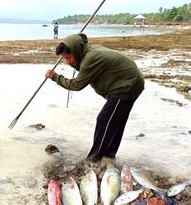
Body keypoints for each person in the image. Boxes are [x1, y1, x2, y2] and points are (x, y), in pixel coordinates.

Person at [44, 33, 144, 164]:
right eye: (64, 58)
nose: (67, 62)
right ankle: (109, 156)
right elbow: (83, 68)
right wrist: (73, 63)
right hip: (130, 82)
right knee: (116, 121)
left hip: (127, 87)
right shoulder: (87, 51)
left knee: (104, 120)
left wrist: (55, 77)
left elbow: (76, 85)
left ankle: (94, 159)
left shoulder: (91, 58)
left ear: (75, 51)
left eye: (68, 57)